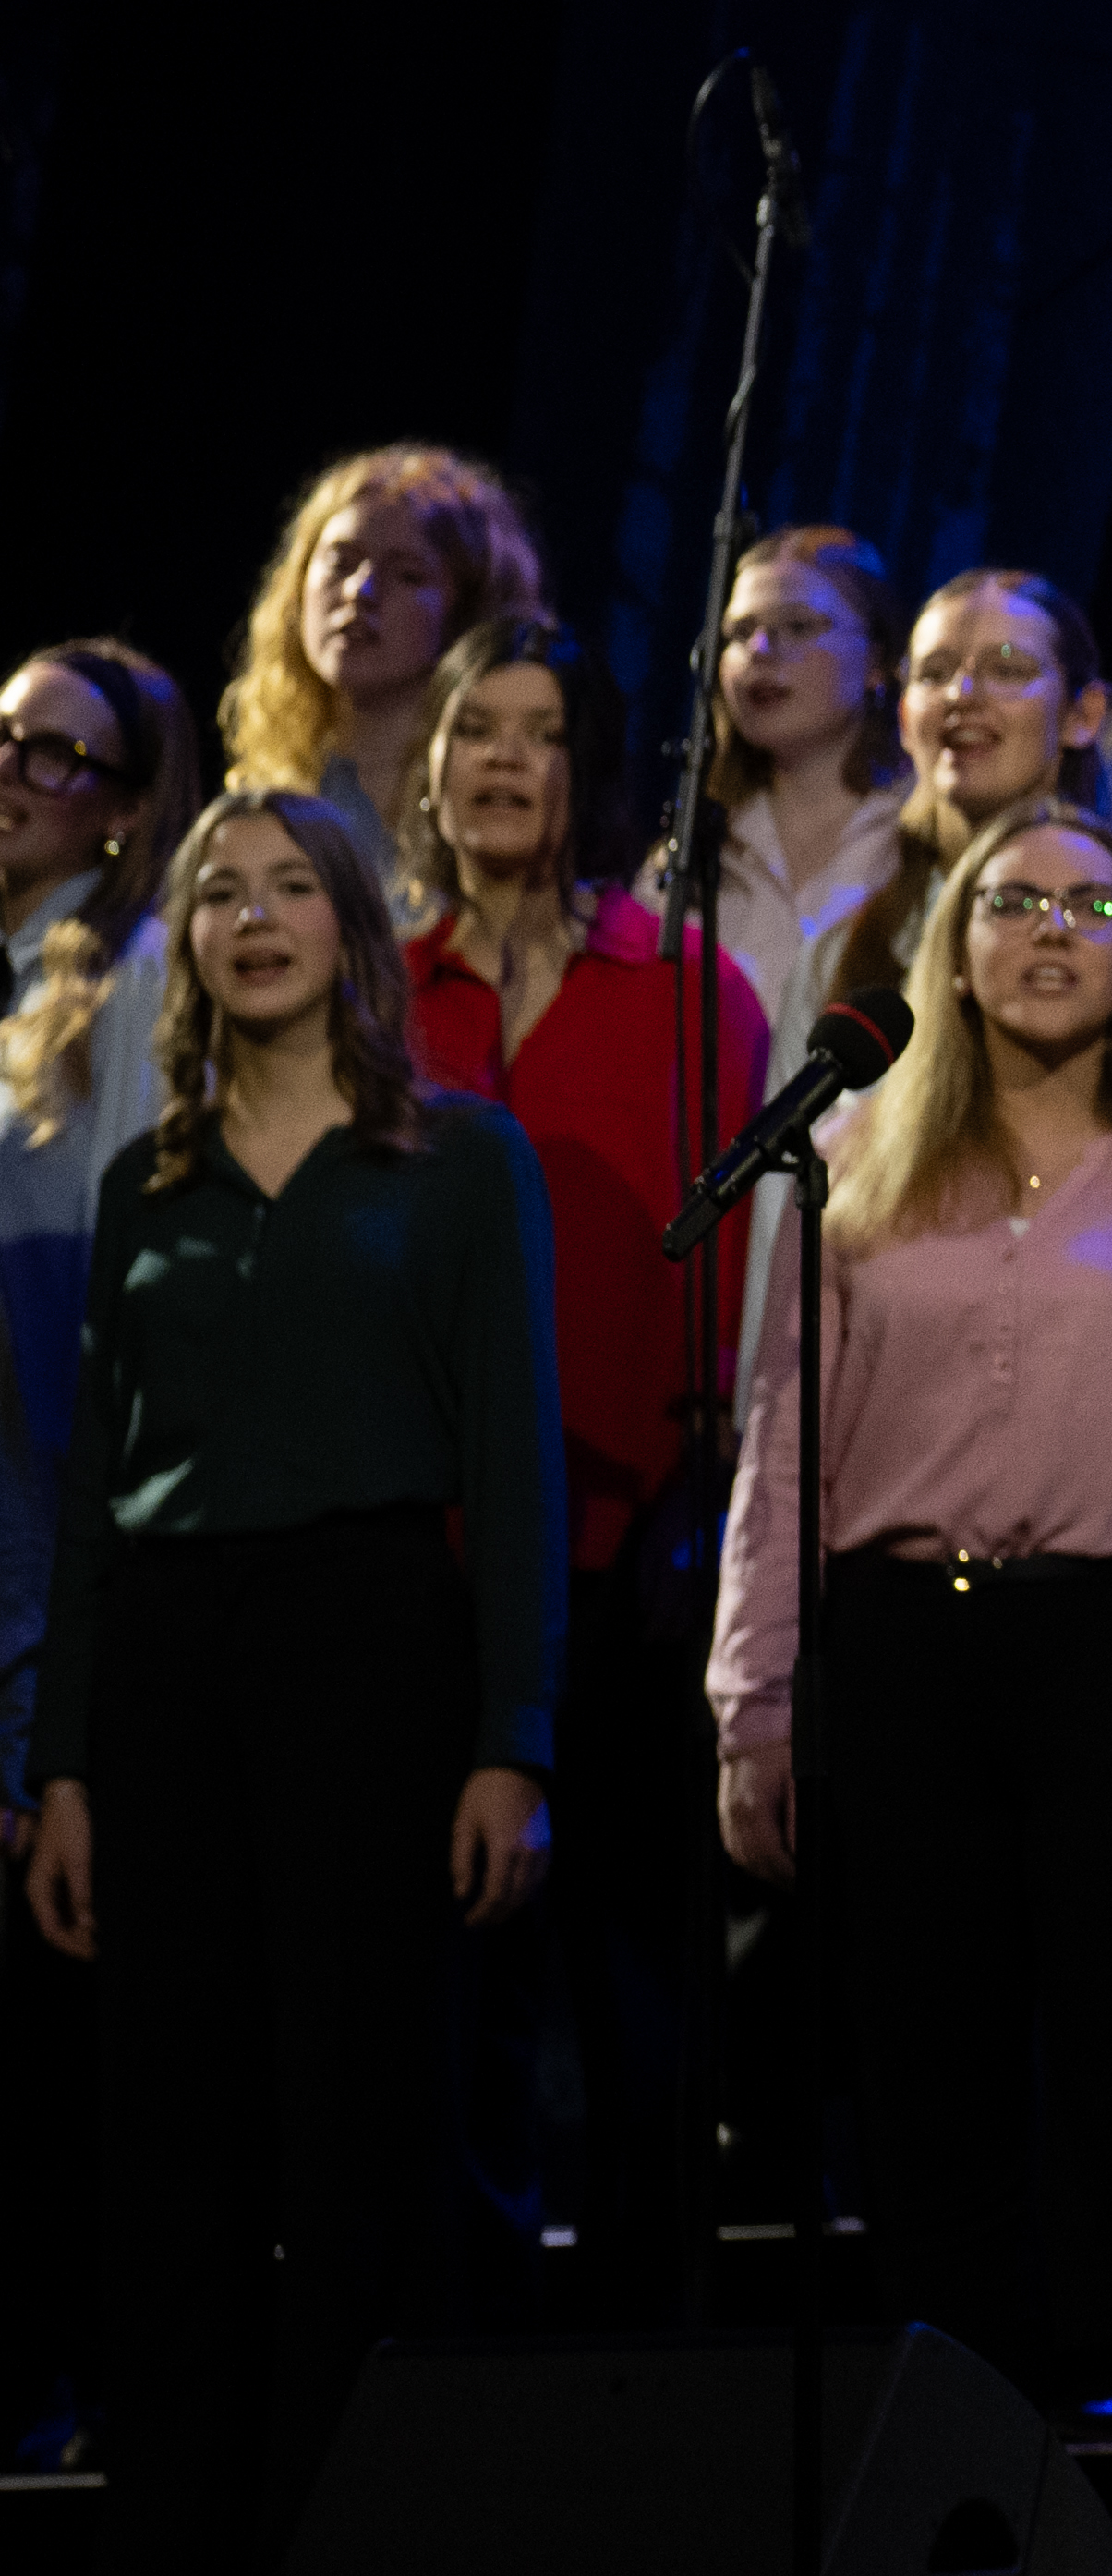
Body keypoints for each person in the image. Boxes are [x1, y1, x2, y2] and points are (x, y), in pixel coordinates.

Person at [710, 797, 1112, 2421]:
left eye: (1094, 909)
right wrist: (751, 1697)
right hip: (903, 1653)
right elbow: (783, 1444)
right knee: (928, 2093)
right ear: (954, 953)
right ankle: (967, 2466)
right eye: (1012, 901)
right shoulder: (851, 1160)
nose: (1051, 929)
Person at [17, 786, 559, 2576]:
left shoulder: (462, 1157)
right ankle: (185, 2520)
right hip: (172, 1668)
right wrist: (67, 1760)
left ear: (350, 923)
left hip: (374, 1646)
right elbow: (93, 1490)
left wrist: (511, 1737)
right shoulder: (140, 1179)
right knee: (168, 2138)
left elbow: (518, 1465)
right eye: (219, 892)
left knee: (365, 2122)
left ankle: (367, 2521)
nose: (254, 918)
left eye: (289, 888)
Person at [394, 612, 756, 2316]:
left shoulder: (684, 984)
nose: (503, 760)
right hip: (425, 1558)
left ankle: (645, 2375)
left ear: (592, 765)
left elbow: (737, 1291)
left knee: (636, 2007)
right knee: (448, 2005)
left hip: (631, 1554)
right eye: (476, 728)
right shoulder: (378, 991)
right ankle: (448, 2384)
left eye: (540, 730)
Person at [0, 643, 208, 1855]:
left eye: (55, 753)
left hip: (40, 1547)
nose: (10, 769)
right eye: (3, 734)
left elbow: (130, 1304)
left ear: (129, 810)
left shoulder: (133, 982)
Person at [837, 566, 1112, 1031]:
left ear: (1083, 713)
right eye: (934, 674)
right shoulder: (844, 950)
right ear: (904, 718)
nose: (962, 694)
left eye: (1007, 669)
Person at [211, 444, 548, 817]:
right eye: (341, 562)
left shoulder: (484, 812)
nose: (360, 592)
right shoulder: (263, 795)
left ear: (467, 613)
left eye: (406, 574)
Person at [691, 526, 909, 1043]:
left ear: (877, 662)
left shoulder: (919, 840)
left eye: (798, 626)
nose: (761, 649)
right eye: (740, 632)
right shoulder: (691, 853)